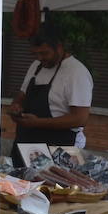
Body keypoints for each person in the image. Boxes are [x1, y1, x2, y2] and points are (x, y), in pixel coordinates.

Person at [7, 27, 94, 165]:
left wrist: (38, 123)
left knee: (54, 186)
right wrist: (15, 106)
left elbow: (80, 118)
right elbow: (22, 95)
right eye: (35, 54)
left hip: (61, 148)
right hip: (27, 144)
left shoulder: (76, 72)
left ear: (59, 47)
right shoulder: (36, 65)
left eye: (44, 53)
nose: (40, 58)